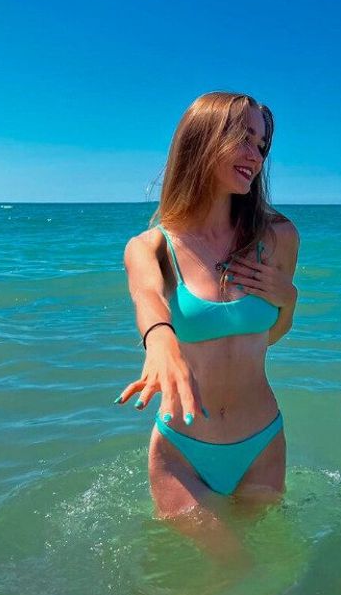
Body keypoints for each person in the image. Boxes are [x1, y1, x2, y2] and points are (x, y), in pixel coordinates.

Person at [114, 91, 300, 547]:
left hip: (262, 444)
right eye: (243, 138)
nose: (254, 155)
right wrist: (160, 342)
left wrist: (288, 299)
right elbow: (147, 297)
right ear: (202, 141)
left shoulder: (278, 237)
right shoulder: (151, 247)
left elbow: (268, 335)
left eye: (261, 144)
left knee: (272, 573)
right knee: (233, 569)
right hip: (183, 452)